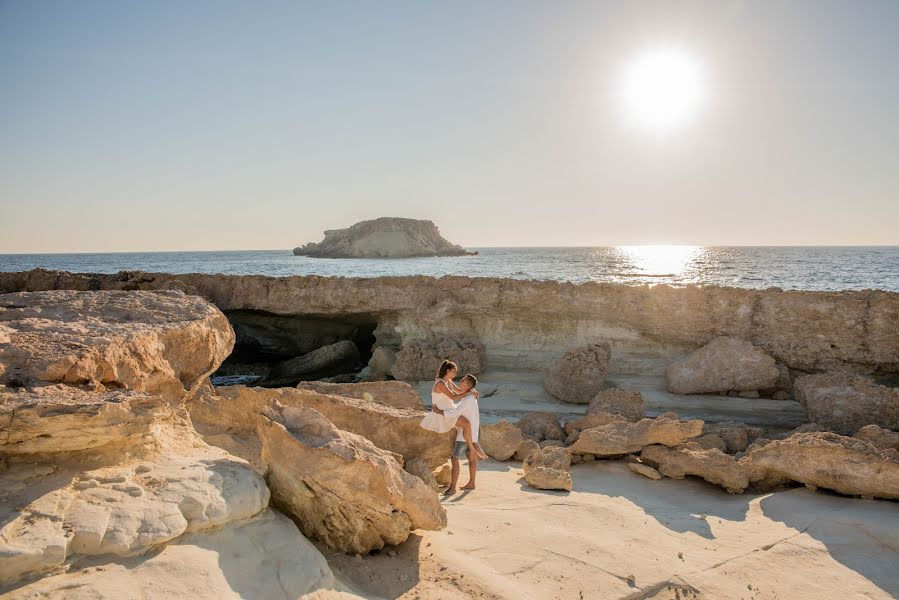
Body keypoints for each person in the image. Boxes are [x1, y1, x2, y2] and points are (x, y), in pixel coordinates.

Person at [419, 360, 487, 463]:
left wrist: (472, 391)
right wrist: (468, 394)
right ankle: (473, 449)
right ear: (447, 371)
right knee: (466, 424)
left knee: (468, 423)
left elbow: (459, 391)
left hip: (449, 410)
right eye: (454, 372)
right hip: (441, 413)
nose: (455, 374)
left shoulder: (448, 382)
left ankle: (474, 448)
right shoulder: (440, 383)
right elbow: (453, 397)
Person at [446, 374, 483, 495]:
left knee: (454, 458)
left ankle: (452, 488)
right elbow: (459, 392)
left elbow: (456, 411)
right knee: (471, 459)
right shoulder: (471, 395)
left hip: (464, 435)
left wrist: (441, 411)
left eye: (462, 381)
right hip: (473, 433)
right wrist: (450, 383)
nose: (460, 382)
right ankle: (472, 483)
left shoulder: (468, 399)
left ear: (467, 385)